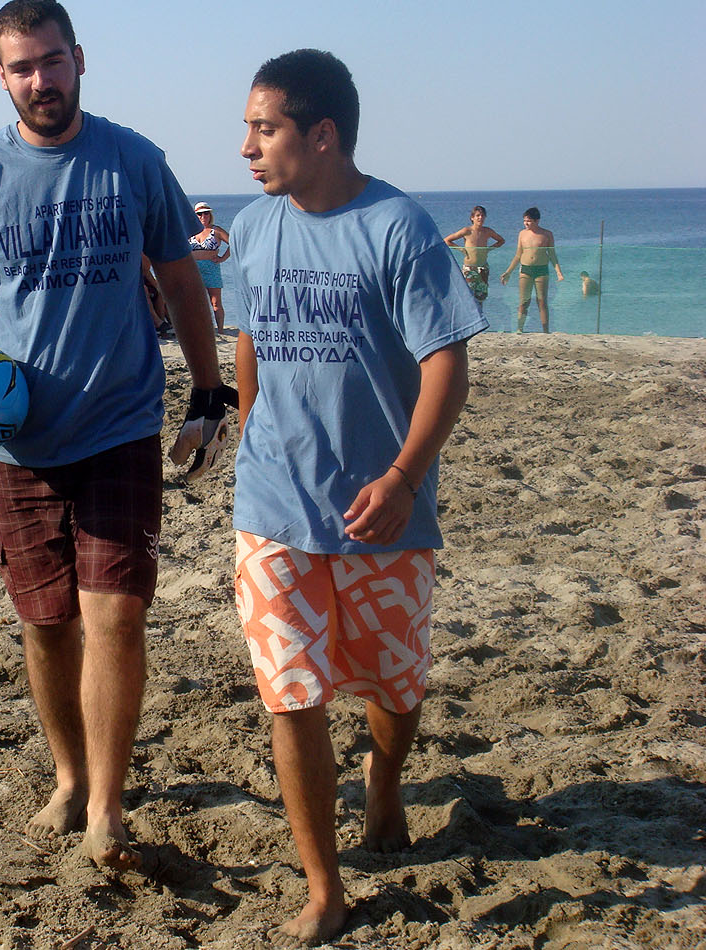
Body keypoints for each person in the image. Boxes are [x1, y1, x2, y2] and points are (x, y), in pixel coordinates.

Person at [0, 0, 232, 872]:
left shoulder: (133, 160)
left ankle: (108, 803)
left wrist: (208, 391)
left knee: (115, 617)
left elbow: (182, 284)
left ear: (80, 58)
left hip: (119, 424)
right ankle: (70, 778)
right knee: (46, 624)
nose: (40, 80)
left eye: (51, 60)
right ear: (2, 77)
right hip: (15, 440)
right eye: (21, 67)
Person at [228, 49, 486, 944]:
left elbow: (447, 364)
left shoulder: (399, 229)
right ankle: (324, 887)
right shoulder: (254, 228)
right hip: (273, 506)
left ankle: (384, 780)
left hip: (385, 505)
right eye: (250, 129)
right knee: (291, 692)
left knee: (394, 681)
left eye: (265, 129)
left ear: (323, 134)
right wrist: (252, 430)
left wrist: (405, 475)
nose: (248, 149)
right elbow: (251, 339)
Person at [500, 207, 563, 333]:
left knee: (542, 301)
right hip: (525, 270)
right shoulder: (522, 234)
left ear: (537, 221)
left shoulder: (546, 234)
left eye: (529, 221)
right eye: (524, 221)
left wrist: (558, 272)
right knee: (524, 301)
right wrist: (508, 272)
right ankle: (519, 328)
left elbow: (552, 254)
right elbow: (518, 255)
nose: (526, 223)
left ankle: (546, 330)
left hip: (541, 270)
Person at [443, 205, 505, 314]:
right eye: (477, 216)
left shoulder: (487, 231)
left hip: (482, 268)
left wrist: (489, 249)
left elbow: (501, 240)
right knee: (468, 296)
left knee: (481, 297)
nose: (480, 218)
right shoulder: (467, 231)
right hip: (469, 268)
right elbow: (447, 240)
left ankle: (479, 319)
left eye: (482, 216)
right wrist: (461, 249)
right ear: (472, 218)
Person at [190, 201, 231, 333]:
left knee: (215, 302)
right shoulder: (190, 231)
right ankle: (201, 329)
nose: (203, 217)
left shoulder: (216, 230)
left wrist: (222, 258)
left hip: (211, 268)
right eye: (200, 214)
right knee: (196, 302)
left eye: (206, 213)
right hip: (194, 269)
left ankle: (220, 330)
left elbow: (235, 243)